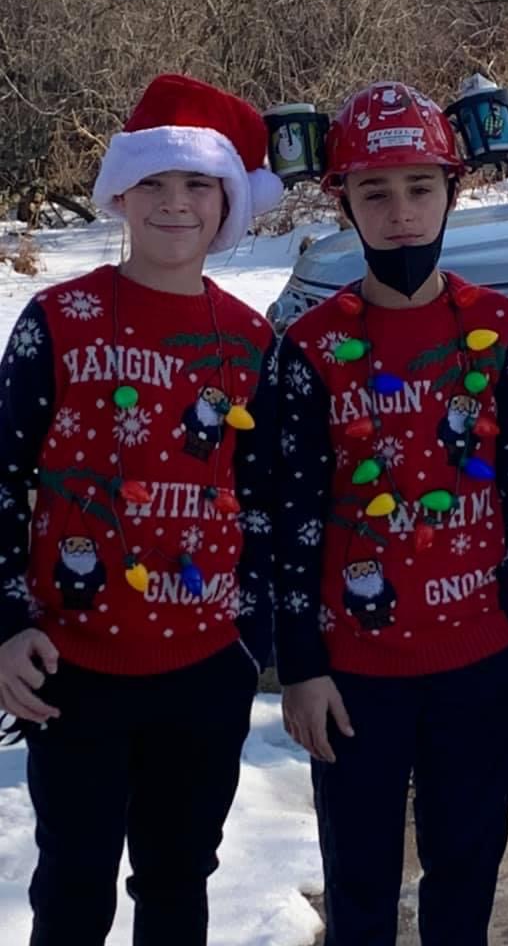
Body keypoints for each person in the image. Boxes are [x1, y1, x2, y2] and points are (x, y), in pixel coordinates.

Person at [0, 73, 282, 945]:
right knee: (74, 888)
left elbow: (268, 497)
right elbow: (5, 475)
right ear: (120, 191)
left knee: (176, 880)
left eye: (197, 185)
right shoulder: (57, 319)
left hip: (202, 668)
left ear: (227, 203)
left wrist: (252, 641)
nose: (174, 204)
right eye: (154, 183)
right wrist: (7, 621)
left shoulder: (249, 337)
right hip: (73, 665)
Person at [273, 80, 508, 946]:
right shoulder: (311, 348)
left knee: (466, 871)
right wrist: (302, 667)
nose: (400, 213)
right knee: (360, 881)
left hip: (480, 658)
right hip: (358, 672)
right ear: (343, 200)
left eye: (420, 188)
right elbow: (292, 513)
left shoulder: (501, 328)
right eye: (375, 192)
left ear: (452, 191)